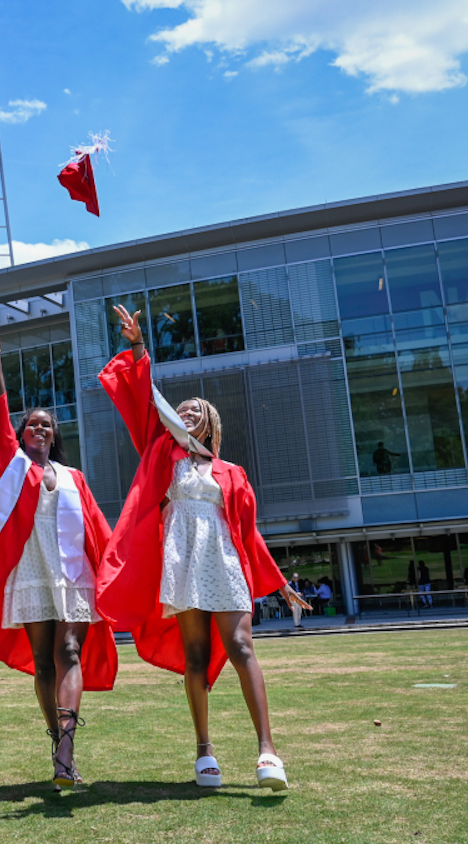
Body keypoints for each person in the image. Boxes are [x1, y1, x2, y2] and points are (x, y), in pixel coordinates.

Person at [95, 304, 304, 792]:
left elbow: (247, 532)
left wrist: (279, 584)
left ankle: (268, 751)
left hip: (225, 559)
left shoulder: (232, 473)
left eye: (194, 413)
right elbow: (146, 400)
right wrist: (139, 345)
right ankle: (204, 752)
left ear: (209, 425)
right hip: (182, 559)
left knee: (241, 645)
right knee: (195, 654)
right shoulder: (162, 453)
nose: (185, 415)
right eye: (181, 412)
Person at [0, 316, 118, 790]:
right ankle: (56, 742)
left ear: (55, 434)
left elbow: (98, 530)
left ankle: (67, 748)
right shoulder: (12, 470)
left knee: (69, 649)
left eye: (46, 425)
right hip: (30, 567)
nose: (39, 430)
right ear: (22, 434)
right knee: (43, 661)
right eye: (32, 425)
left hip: (72, 570)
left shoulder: (74, 478)